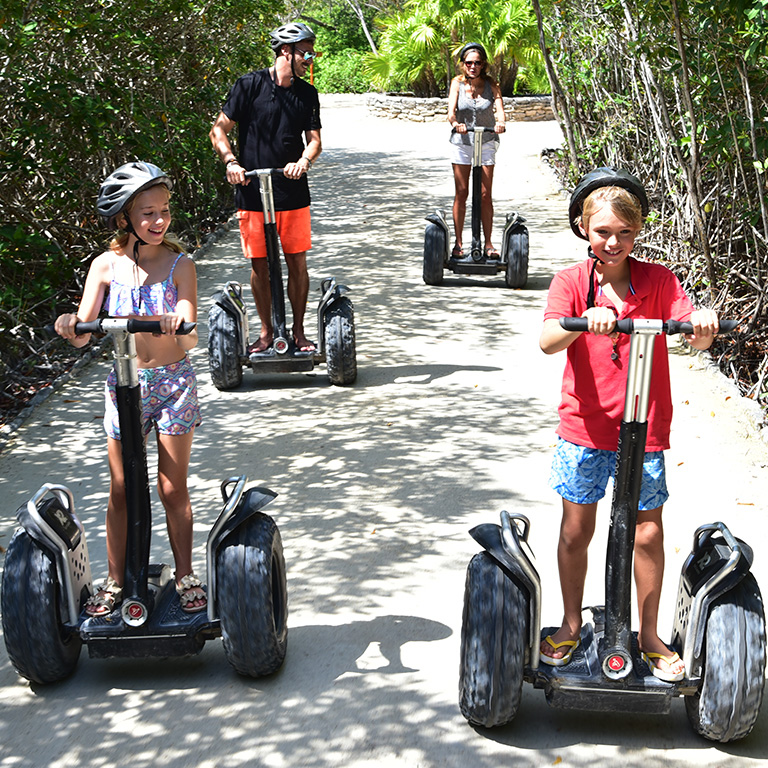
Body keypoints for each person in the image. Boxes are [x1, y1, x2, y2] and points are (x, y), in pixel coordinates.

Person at [538, 168, 719, 682]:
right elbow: (548, 339)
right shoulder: (572, 282)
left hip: (646, 430)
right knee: (577, 530)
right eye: (602, 232)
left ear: (637, 232)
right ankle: (572, 624)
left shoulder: (658, 280)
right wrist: (583, 321)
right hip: (585, 428)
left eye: (624, 232)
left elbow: (694, 334)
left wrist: (702, 321)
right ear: (583, 229)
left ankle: (648, 635)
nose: (613, 242)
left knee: (645, 534)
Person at [54, 161, 206, 617]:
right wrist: (69, 326)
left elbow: (191, 331)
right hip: (124, 384)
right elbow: (83, 330)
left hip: (173, 383)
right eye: (147, 213)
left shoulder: (181, 265)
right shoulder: (105, 266)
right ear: (124, 217)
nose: (159, 222)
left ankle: (184, 575)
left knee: (170, 487)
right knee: (121, 487)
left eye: (163, 211)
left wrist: (176, 322)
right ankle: (116, 580)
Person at [209, 21, 322, 353]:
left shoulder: (307, 94)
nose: (310, 59)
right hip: (252, 188)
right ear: (286, 51)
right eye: (306, 52)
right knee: (259, 263)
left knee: (296, 261)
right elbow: (219, 130)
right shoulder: (249, 85)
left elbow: (314, 141)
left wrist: (304, 161)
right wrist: (231, 162)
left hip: (291, 189)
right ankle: (266, 332)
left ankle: (298, 333)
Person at [447, 42, 506, 258]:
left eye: (477, 63)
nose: (473, 66)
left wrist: (500, 123)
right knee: (462, 193)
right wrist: (455, 124)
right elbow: (451, 112)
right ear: (463, 64)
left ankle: (488, 244)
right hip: (462, 142)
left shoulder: (492, 85)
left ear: (483, 65)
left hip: (487, 140)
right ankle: (459, 243)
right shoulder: (457, 84)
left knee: (484, 194)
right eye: (469, 62)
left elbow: (500, 110)